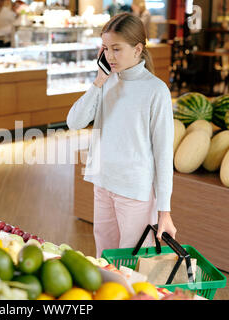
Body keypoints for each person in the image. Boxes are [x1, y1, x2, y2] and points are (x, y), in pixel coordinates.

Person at [66, 13, 177, 258]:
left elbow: (163, 154)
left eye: (116, 49)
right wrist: (98, 81)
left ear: (138, 49)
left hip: (134, 191)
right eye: (105, 48)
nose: (109, 56)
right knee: (104, 257)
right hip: (103, 182)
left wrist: (164, 211)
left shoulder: (156, 91)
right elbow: (74, 122)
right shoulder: (106, 81)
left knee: (132, 262)